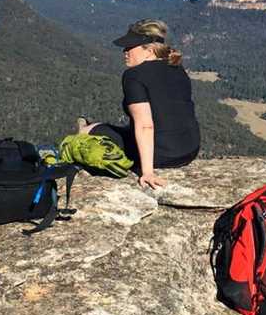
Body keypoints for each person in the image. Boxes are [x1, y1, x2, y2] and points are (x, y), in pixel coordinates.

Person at [78, 19, 200, 190]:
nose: (125, 51)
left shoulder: (134, 75)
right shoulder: (176, 67)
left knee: (87, 132)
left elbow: (145, 126)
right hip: (190, 149)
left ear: (149, 50)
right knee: (112, 128)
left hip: (163, 154)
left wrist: (148, 172)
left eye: (130, 47)